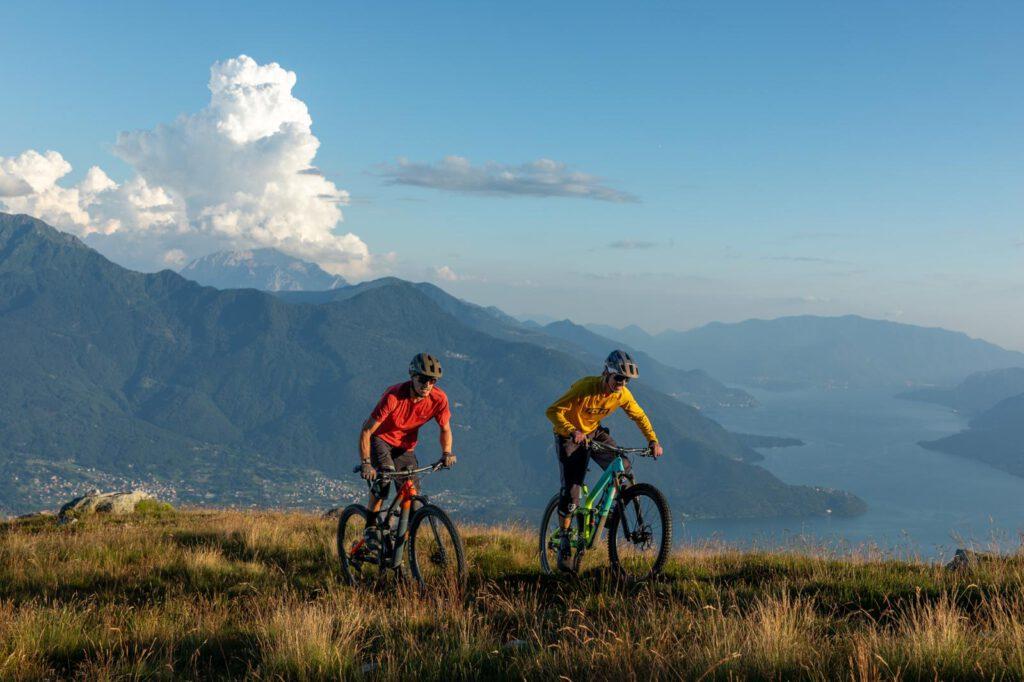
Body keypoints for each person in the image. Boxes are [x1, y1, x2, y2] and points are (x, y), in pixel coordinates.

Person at [545, 349, 664, 571]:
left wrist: (653, 441)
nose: (622, 383)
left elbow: (639, 415)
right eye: (618, 377)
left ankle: (612, 509)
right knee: (572, 493)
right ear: (606, 373)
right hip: (569, 435)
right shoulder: (585, 387)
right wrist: (572, 431)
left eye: (626, 379)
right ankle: (564, 542)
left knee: (623, 465)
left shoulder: (622, 394)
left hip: (593, 432)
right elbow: (552, 411)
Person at [358, 353, 456, 515]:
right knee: (384, 480)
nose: (427, 385)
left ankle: (405, 535)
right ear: (412, 376)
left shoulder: (439, 399)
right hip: (381, 439)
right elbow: (367, 430)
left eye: (432, 380)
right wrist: (366, 463)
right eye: (423, 379)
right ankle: (371, 526)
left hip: (405, 447)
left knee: (412, 496)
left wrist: (447, 453)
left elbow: (445, 429)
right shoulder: (393, 397)